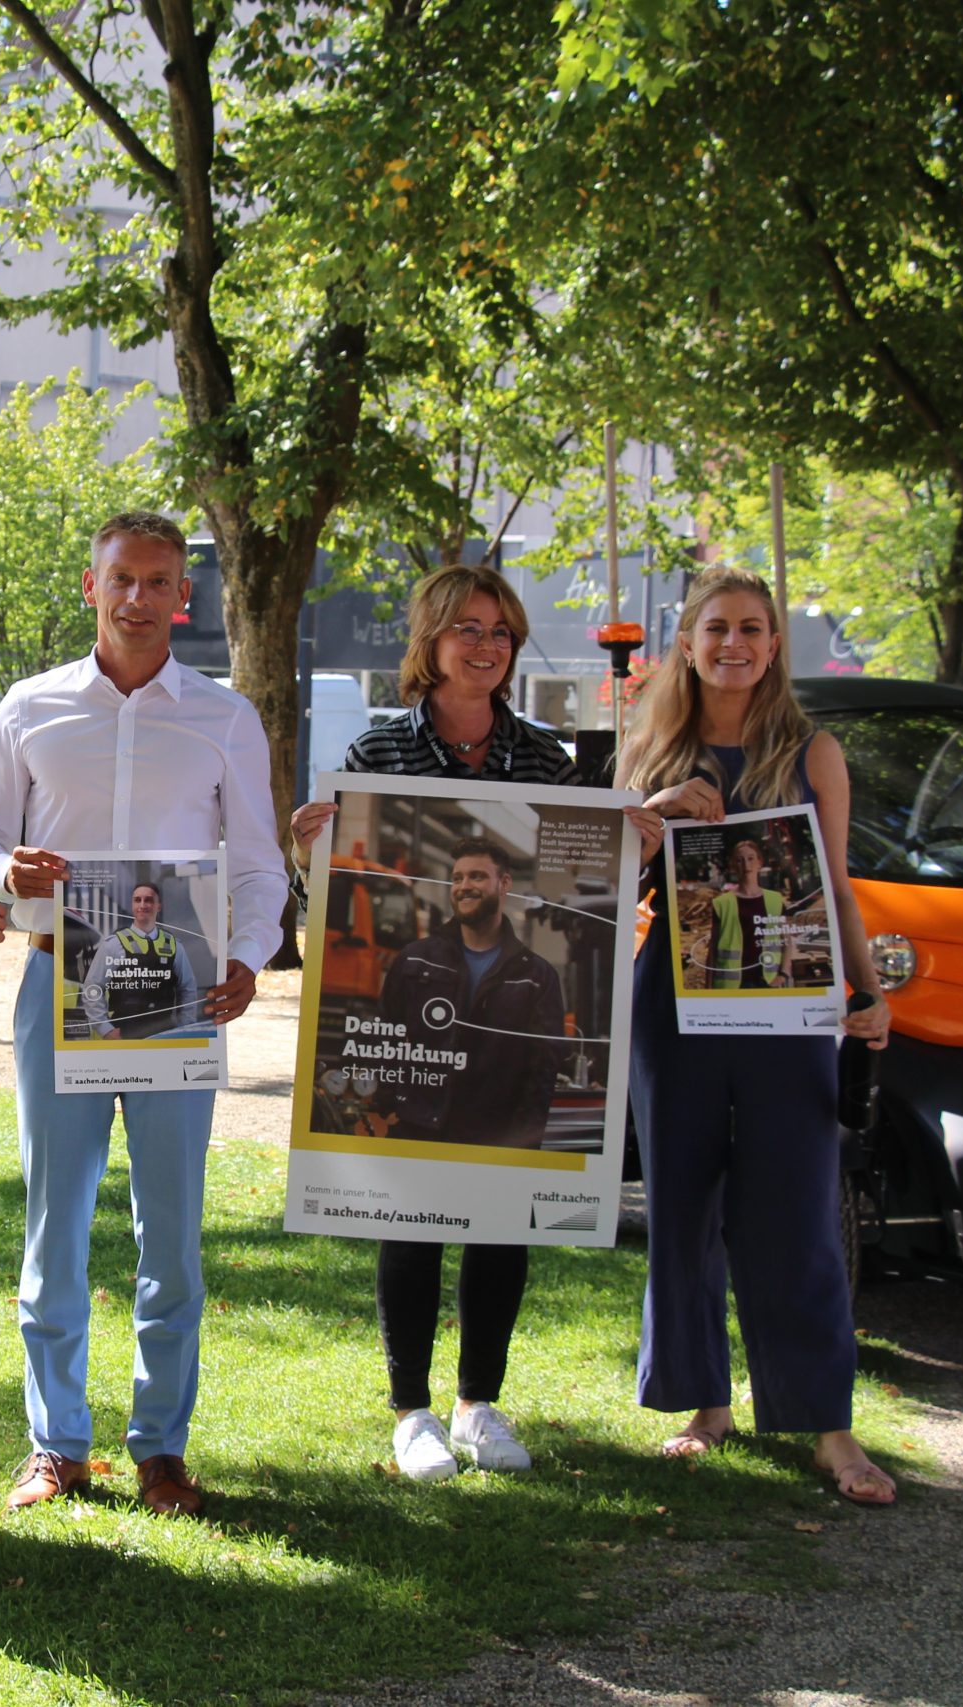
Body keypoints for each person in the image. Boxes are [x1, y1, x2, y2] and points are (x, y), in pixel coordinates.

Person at [0, 509, 284, 1517]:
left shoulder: (225, 718)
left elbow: (263, 867)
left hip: (180, 1004)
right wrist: (5, 873)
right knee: (53, 1230)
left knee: (171, 1239)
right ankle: (54, 1445)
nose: (140, 599)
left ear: (182, 597)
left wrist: (246, 956)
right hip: (59, 997)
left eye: (159, 582)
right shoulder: (29, 708)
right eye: (121, 580)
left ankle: (161, 1449)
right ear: (90, 587)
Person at [290, 563, 648, 1484]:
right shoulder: (375, 757)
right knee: (409, 1223)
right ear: (431, 642)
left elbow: (597, 889)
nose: (484, 646)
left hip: (503, 1078)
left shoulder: (544, 762)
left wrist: (627, 852)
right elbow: (330, 904)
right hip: (425, 1065)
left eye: (499, 631)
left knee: (502, 1227)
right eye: (467, 629)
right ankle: (411, 1410)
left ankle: (479, 1403)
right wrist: (310, 857)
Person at [620, 567, 896, 1505]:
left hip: (788, 1009)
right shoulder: (648, 743)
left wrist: (870, 989)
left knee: (797, 1209)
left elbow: (842, 883)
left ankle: (829, 1426)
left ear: (774, 644)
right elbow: (605, 877)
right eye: (715, 628)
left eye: (751, 628)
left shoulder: (812, 750)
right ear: (687, 641)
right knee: (683, 1208)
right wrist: (656, 814)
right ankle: (705, 1407)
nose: (733, 643)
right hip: (670, 1005)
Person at [370, 836, 566, 1150]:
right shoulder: (415, 959)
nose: (464, 886)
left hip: (491, 1141)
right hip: (415, 1130)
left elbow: (542, 1073)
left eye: (477, 876)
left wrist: (522, 1145)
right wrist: (387, 1105)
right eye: (457, 878)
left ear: (504, 884)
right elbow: (383, 1035)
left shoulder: (536, 976)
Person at [77, 881, 205, 1041]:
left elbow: (187, 988)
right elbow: (92, 987)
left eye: (149, 900)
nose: (142, 905)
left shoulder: (174, 945)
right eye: (137, 900)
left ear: (159, 906)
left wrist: (184, 1026)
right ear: (132, 905)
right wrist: (106, 1029)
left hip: (165, 1033)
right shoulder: (114, 944)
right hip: (124, 1034)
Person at [704, 836, 787, 991]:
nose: (746, 864)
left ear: (760, 862)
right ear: (733, 866)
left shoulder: (775, 900)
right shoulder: (722, 903)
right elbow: (713, 949)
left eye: (751, 858)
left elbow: (787, 940)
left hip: (767, 981)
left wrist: (783, 974)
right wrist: (708, 989)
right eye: (739, 860)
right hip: (730, 986)